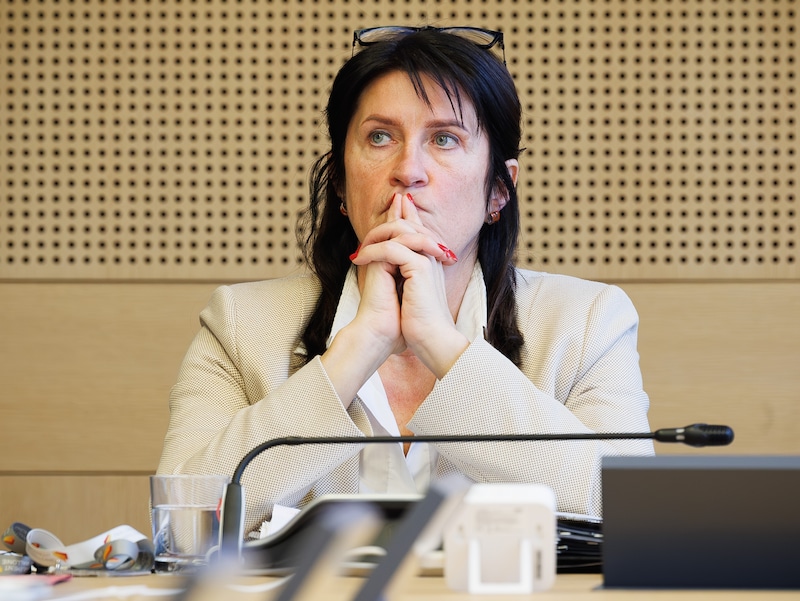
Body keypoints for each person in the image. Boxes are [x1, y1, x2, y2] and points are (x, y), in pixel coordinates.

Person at [156, 26, 654, 538]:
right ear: (341, 182)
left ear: (498, 191)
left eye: (444, 139)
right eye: (380, 137)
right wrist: (360, 346)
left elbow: (634, 510)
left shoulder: (587, 321)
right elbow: (180, 524)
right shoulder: (241, 324)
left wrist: (442, 344)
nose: (408, 170)